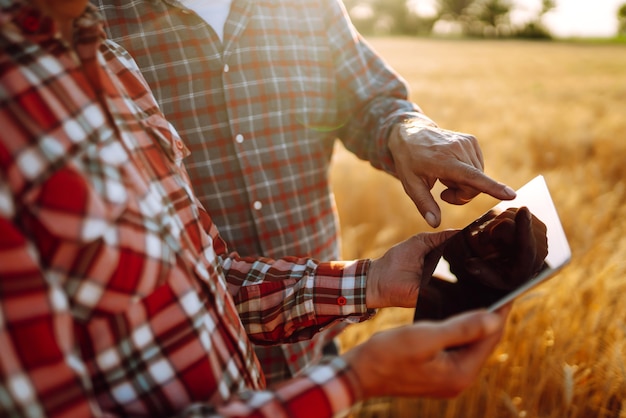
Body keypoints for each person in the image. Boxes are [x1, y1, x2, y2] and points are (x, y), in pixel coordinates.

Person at [0, 1, 511, 416]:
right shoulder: (88, 34)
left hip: (314, 342)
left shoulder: (101, 54)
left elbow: (203, 274)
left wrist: (371, 280)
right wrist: (356, 380)